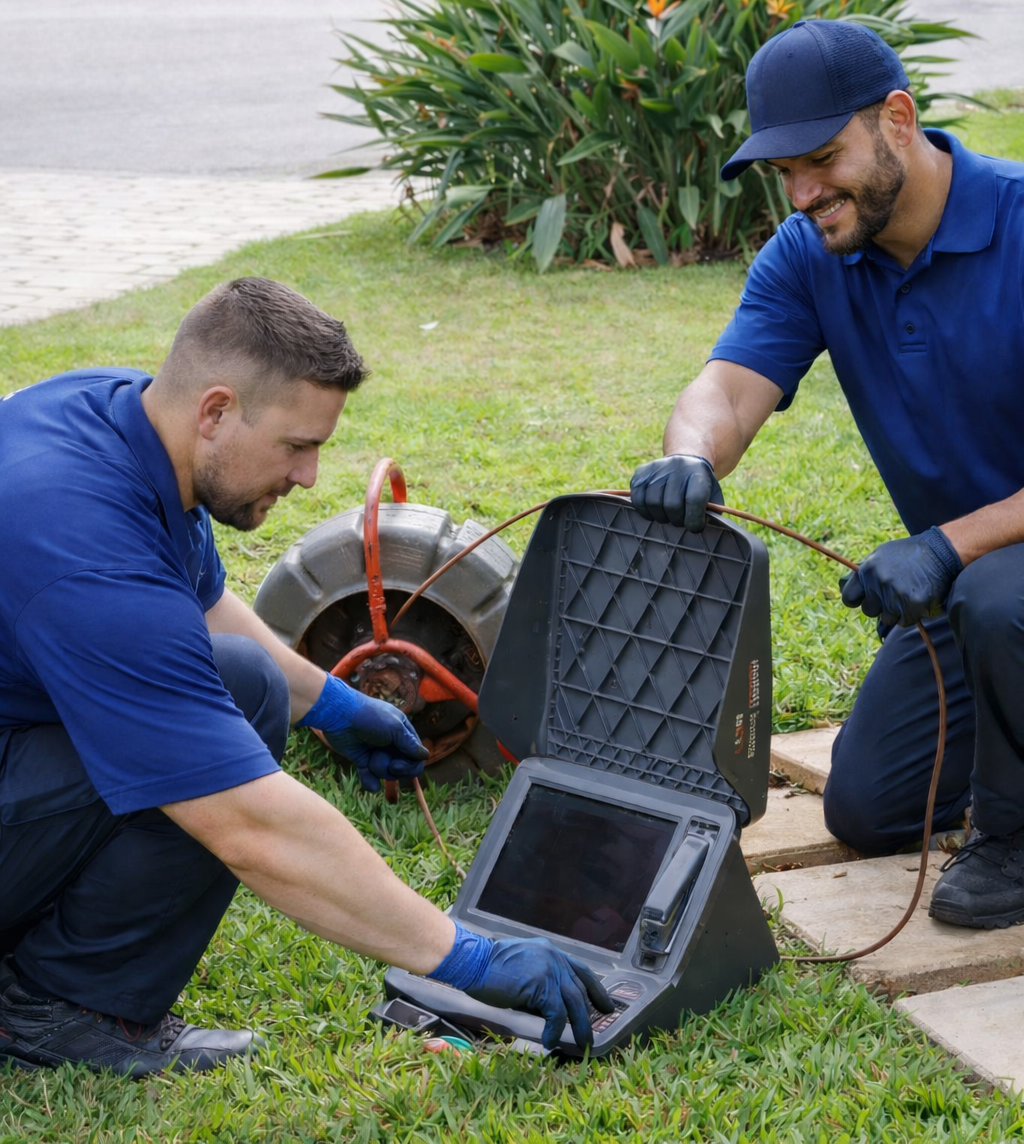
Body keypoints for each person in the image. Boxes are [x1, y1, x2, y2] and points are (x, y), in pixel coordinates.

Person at [0, 276, 611, 1076]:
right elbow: (246, 823)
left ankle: (62, 983)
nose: (311, 475)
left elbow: (206, 609)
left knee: (247, 683)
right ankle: (53, 1015)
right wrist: (463, 956)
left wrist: (333, 703)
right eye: (296, 445)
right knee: (203, 759)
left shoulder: (126, 418)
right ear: (216, 412)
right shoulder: (84, 548)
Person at [629, 20, 1024, 930]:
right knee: (870, 807)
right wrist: (689, 454)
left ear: (898, 120)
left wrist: (946, 546)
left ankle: (1015, 835)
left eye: (822, 159)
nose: (804, 193)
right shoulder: (810, 255)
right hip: (972, 593)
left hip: (991, 584)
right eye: (785, 171)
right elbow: (727, 391)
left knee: (999, 595)